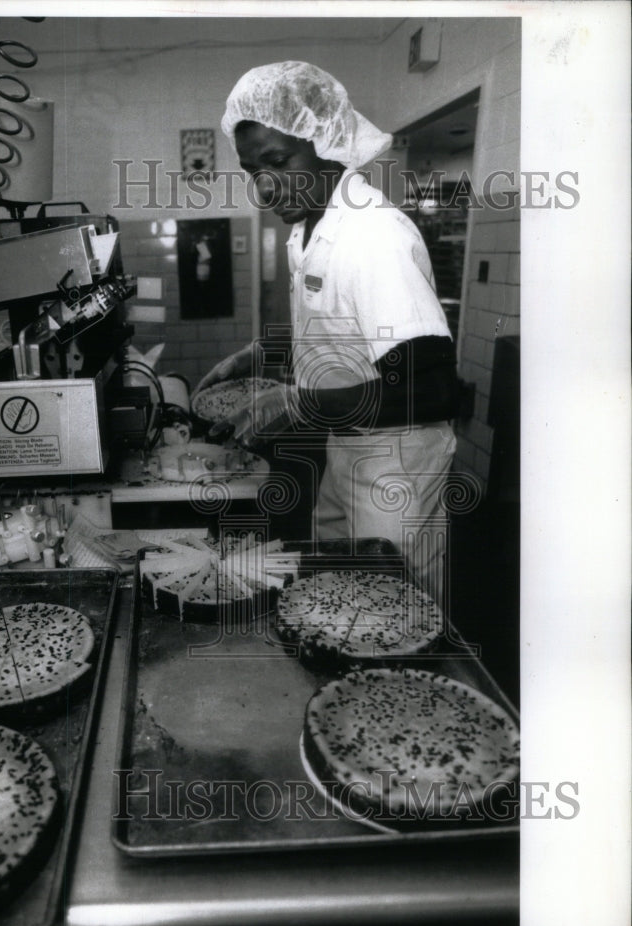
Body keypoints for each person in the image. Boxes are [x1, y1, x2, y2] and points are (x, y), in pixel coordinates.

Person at [192, 62, 460, 601]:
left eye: (278, 161)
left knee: (392, 611)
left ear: (327, 143)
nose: (265, 187)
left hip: (396, 465)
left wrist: (296, 405)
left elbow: (432, 390)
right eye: (252, 170)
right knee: (336, 594)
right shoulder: (310, 226)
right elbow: (335, 321)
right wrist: (259, 352)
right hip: (347, 446)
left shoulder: (372, 236)